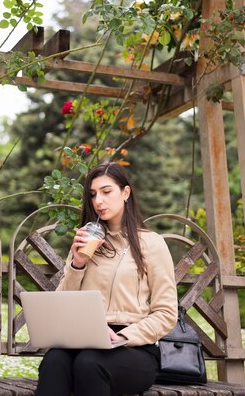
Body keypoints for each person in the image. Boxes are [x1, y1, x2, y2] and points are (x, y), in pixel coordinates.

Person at [35, 161, 178, 396]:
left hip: (134, 346)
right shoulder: (86, 241)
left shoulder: (151, 244)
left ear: (125, 192)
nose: (98, 201)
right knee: (54, 360)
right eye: (93, 194)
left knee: (89, 363)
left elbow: (166, 313)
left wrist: (122, 336)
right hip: (85, 340)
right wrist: (77, 264)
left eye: (106, 191)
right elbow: (63, 303)